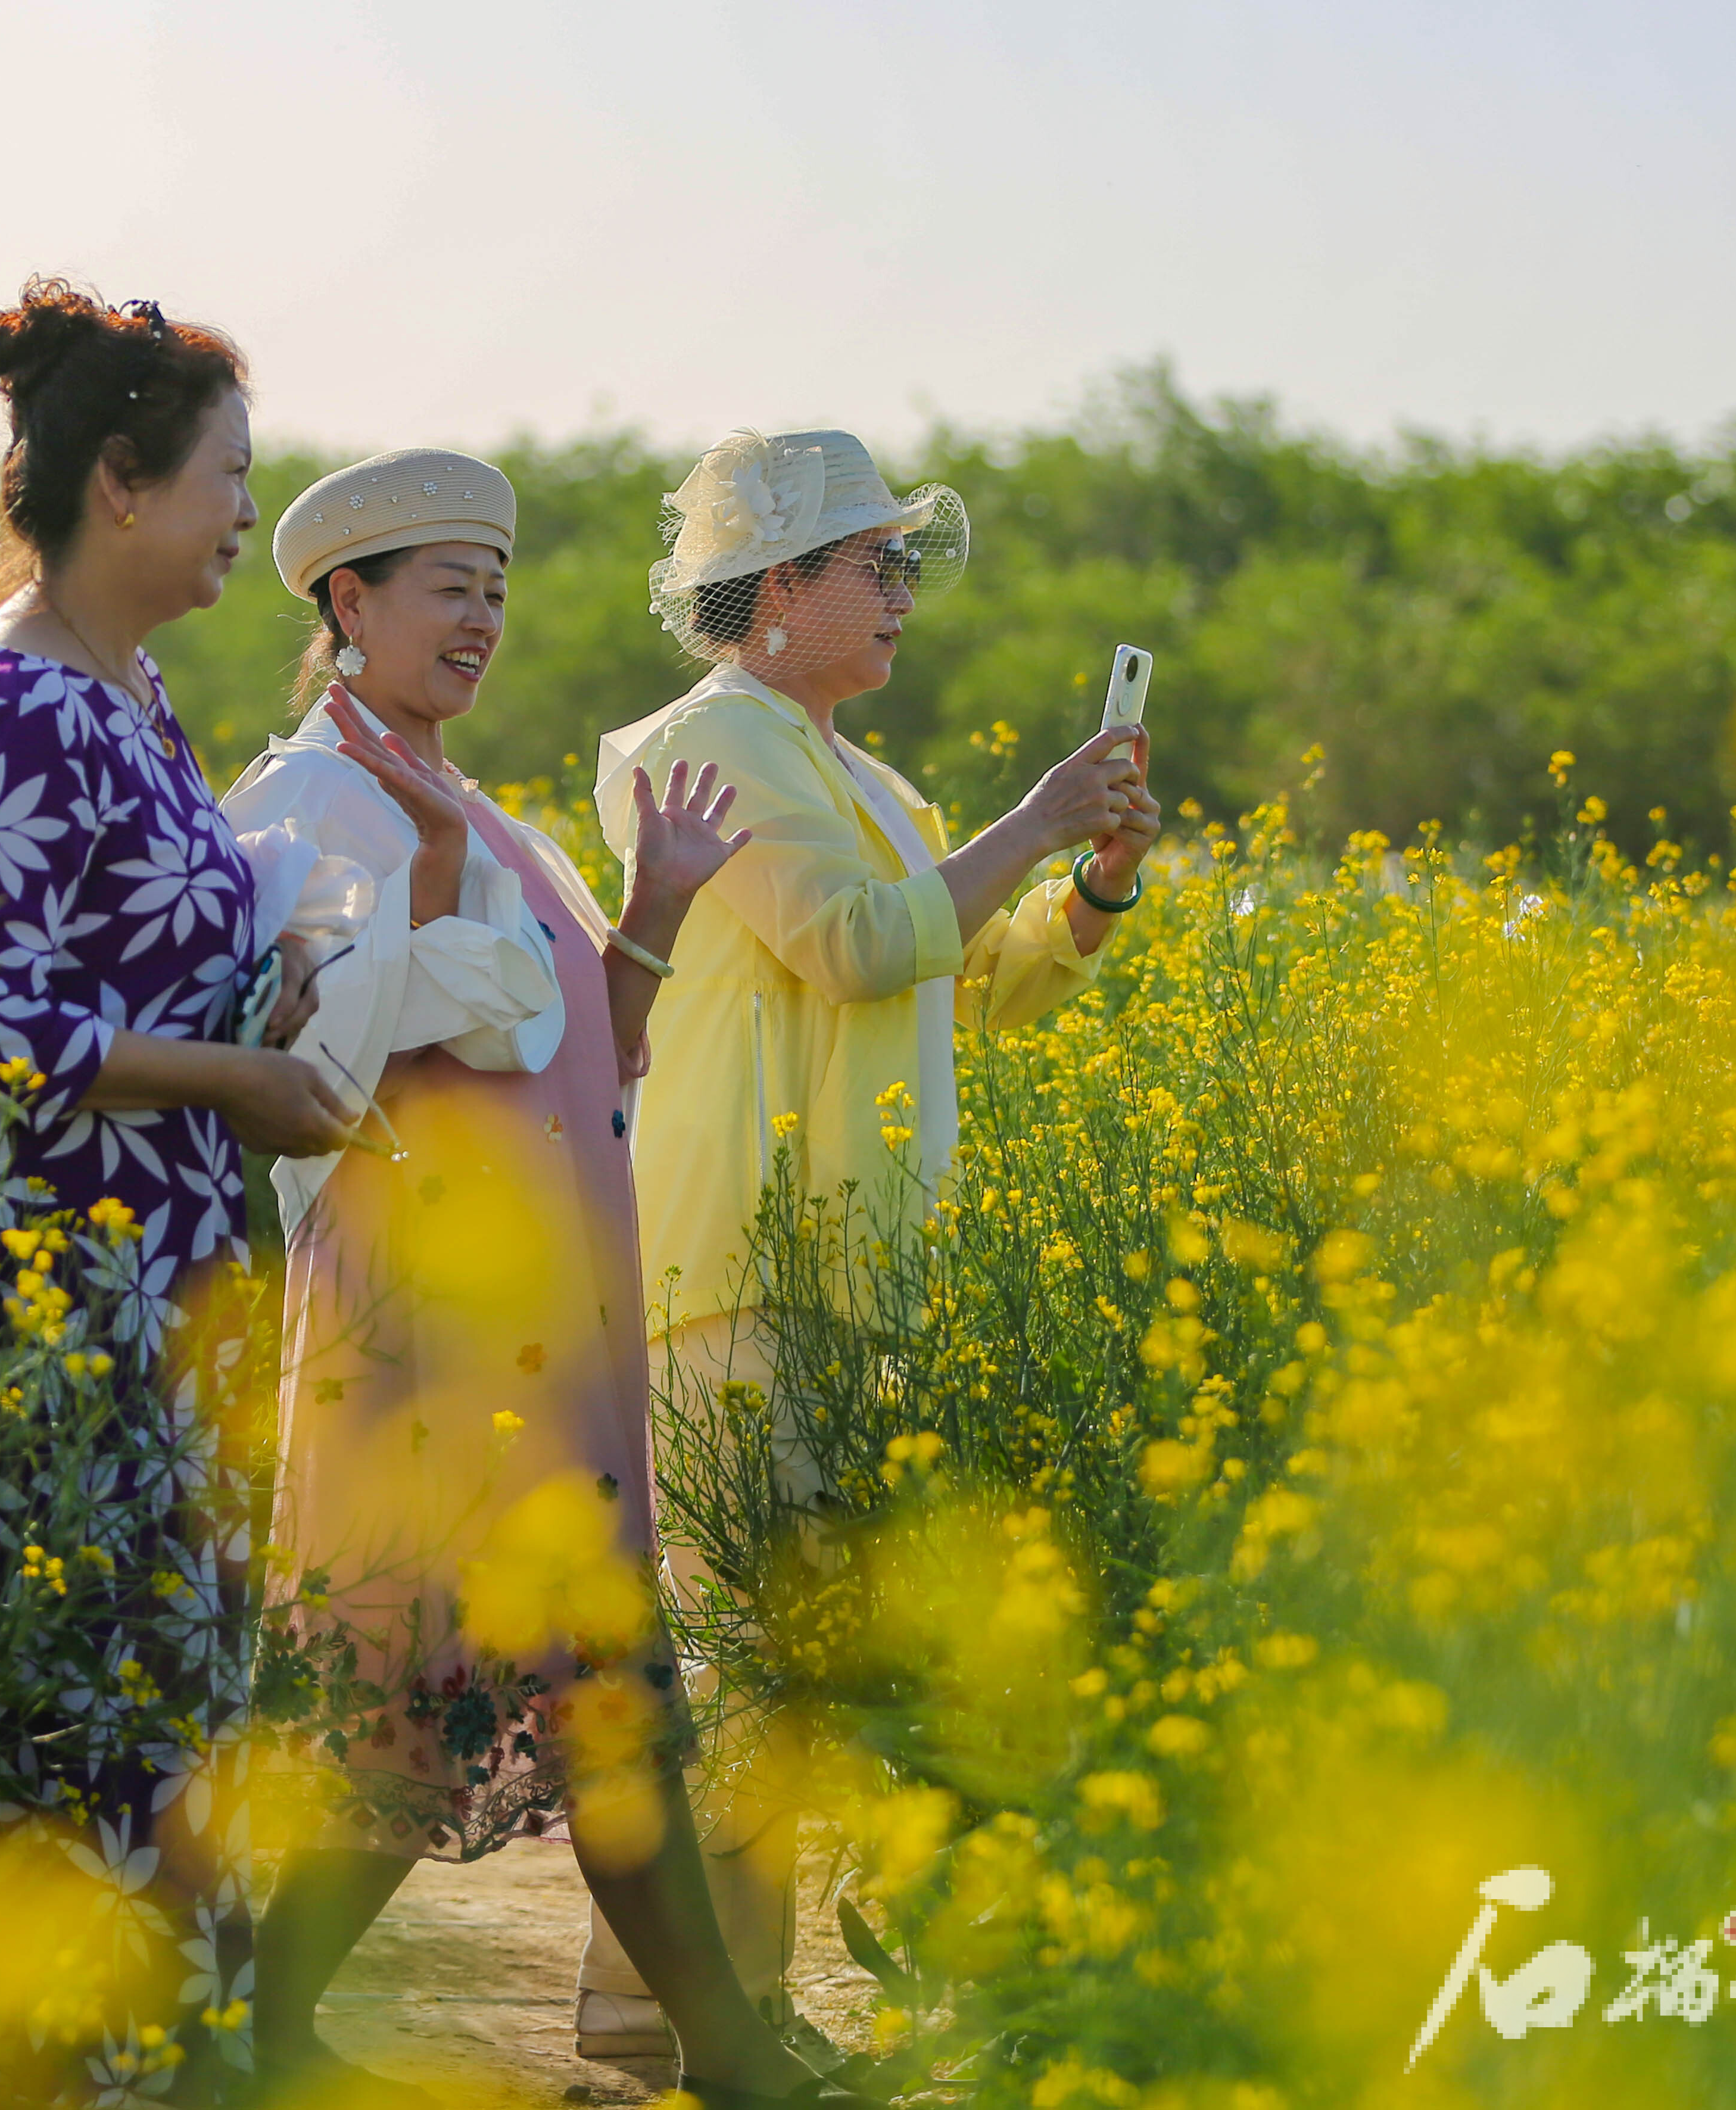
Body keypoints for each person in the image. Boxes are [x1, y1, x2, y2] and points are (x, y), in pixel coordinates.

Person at [221, 450, 855, 2110]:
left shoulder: (481, 805)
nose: (482, 619)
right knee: (438, 1684)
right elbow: (308, 1067)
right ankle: (698, 2050)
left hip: (552, 1302)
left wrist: (647, 909)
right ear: (345, 605)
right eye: (448, 586)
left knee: (551, 1684)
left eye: (497, 589)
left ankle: (287, 2030)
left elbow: (598, 1060)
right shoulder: (304, 804)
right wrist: (428, 898)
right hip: (428, 1311)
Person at [578, 428, 1163, 2049]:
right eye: (874, 564)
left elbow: (979, 983)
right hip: (742, 1256)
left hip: (843, 1263)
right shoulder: (702, 745)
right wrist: (1034, 821)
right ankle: (729, 2015)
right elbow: (851, 949)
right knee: (757, 1655)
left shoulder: (859, 772)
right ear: (776, 587)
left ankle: (664, 2011)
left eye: (908, 560)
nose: (904, 593)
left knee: (774, 1653)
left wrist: (1092, 889)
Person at [0, 279, 346, 2102]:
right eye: (230, 475)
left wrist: (273, 994)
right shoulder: (14, 705)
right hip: (56, 1309)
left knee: (168, 1708)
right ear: (123, 483)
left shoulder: (134, 688)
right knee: (78, 1716)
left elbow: (115, 974)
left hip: (169, 1286)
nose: (250, 510)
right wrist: (237, 1074)